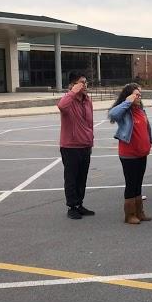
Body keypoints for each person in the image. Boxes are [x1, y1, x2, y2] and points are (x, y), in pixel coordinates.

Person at [108, 83, 152, 224]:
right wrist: (127, 102)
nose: (138, 97)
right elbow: (112, 114)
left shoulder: (141, 110)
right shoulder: (125, 112)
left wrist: (149, 142)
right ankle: (130, 214)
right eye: (135, 94)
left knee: (138, 183)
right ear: (128, 95)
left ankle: (140, 212)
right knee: (131, 183)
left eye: (139, 94)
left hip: (141, 153)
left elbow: (146, 128)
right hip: (129, 154)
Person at [57, 72, 95, 220]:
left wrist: (90, 140)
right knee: (71, 178)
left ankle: (80, 204)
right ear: (72, 85)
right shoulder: (68, 100)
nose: (84, 85)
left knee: (82, 177)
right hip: (70, 146)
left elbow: (89, 123)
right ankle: (72, 206)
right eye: (81, 82)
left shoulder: (87, 100)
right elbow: (61, 105)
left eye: (86, 82)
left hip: (85, 145)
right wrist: (73, 92)